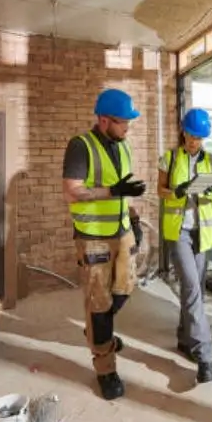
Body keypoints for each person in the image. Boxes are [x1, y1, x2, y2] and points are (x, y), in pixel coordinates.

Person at [62, 88, 147, 400]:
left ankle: (99, 332)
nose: (127, 127)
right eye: (123, 122)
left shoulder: (123, 148)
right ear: (103, 119)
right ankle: (105, 367)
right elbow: (72, 192)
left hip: (122, 231)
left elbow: (122, 190)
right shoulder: (80, 146)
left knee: (124, 289)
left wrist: (134, 222)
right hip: (94, 237)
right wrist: (112, 191)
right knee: (99, 305)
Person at [158, 107, 212, 384]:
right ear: (183, 131)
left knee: (192, 288)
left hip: (203, 235)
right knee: (193, 289)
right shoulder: (170, 158)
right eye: (190, 135)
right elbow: (160, 191)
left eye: (199, 137)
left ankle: (185, 338)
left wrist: (209, 191)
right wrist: (177, 191)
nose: (194, 141)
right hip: (179, 233)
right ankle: (204, 356)